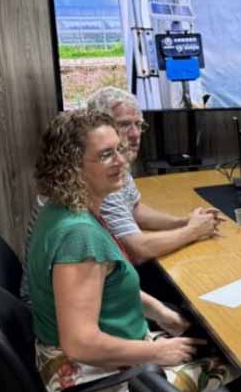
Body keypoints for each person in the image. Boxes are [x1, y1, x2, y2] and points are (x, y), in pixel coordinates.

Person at [27, 109, 241, 392]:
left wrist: (162, 313)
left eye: (120, 149)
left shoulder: (64, 209)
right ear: (72, 166)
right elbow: (80, 343)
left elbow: (105, 284)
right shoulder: (79, 235)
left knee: (209, 343)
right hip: (90, 387)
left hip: (98, 360)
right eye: (106, 155)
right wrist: (156, 352)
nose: (121, 160)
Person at [85, 86, 221, 265]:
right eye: (125, 124)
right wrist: (193, 231)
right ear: (100, 128)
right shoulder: (101, 173)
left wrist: (183, 222)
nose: (135, 134)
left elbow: (134, 209)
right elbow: (137, 250)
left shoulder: (117, 162)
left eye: (138, 124)